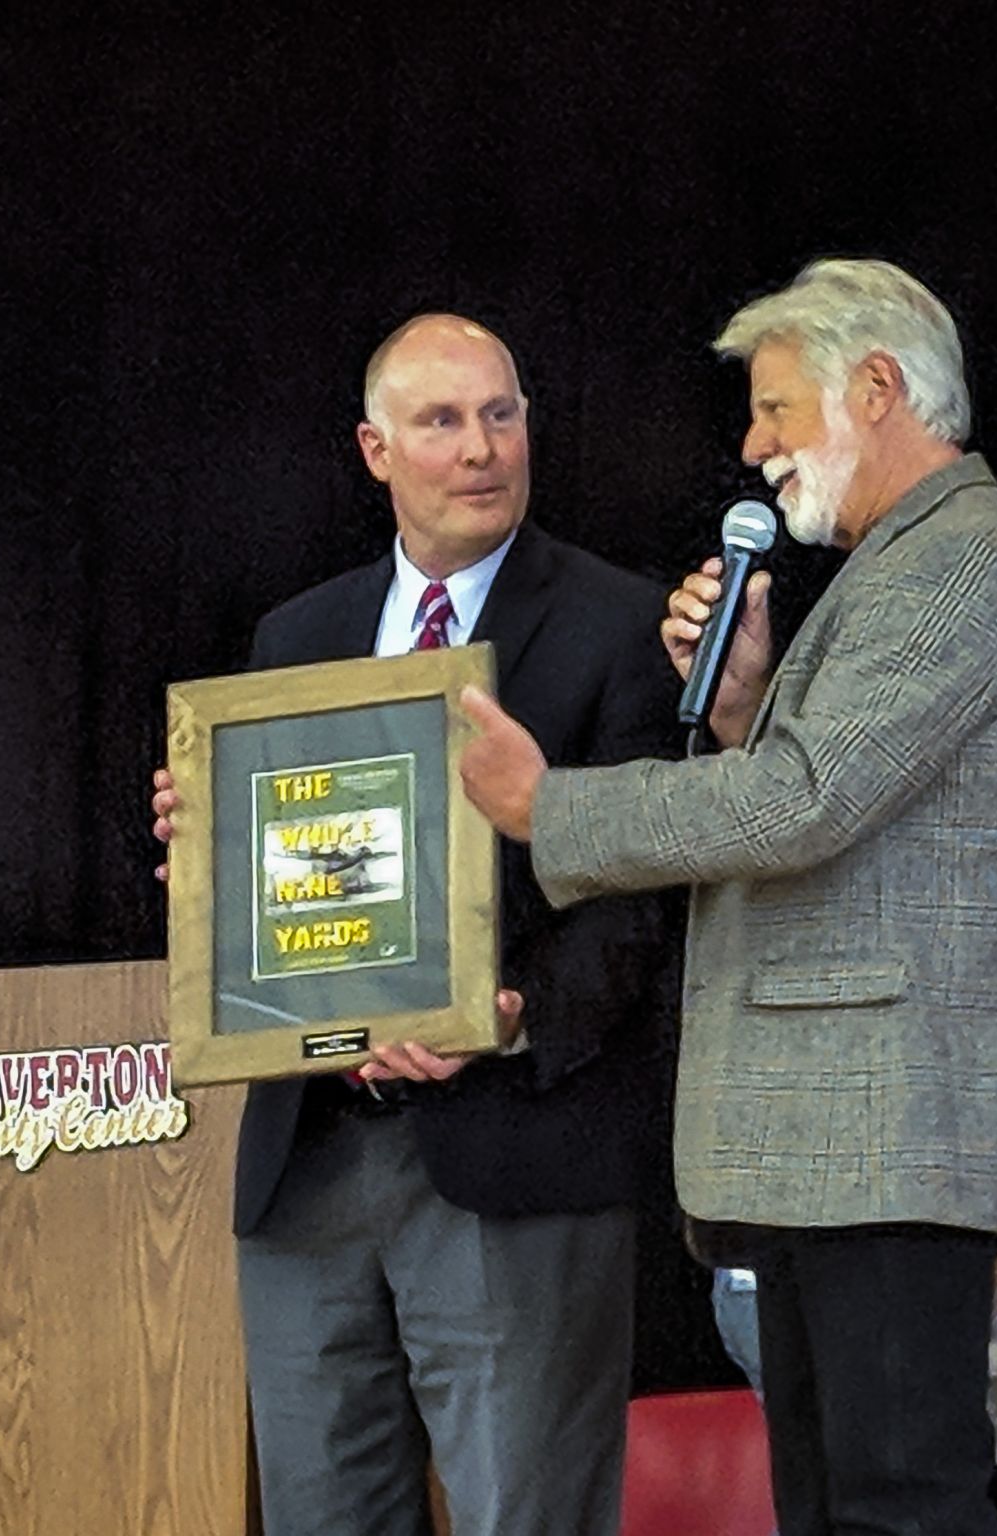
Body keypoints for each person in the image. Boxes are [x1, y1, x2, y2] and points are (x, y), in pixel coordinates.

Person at [457, 258, 997, 1536]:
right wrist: (742, 707)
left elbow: (804, 807)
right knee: (835, 1506)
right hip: (834, 1149)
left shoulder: (959, 559)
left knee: (896, 1507)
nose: (752, 448)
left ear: (877, 387)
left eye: (775, 410)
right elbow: (829, 806)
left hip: (887, 1139)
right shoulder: (891, 566)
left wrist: (549, 809)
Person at [151, 314, 683, 1536]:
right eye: (441, 421)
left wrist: (510, 1015)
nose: (481, 447)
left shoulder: (621, 626)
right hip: (310, 1161)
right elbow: (275, 902)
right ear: (374, 448)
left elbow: (649, 893)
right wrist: (206, 846)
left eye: (501, 414)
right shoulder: (294, 637)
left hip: (511, 1151)